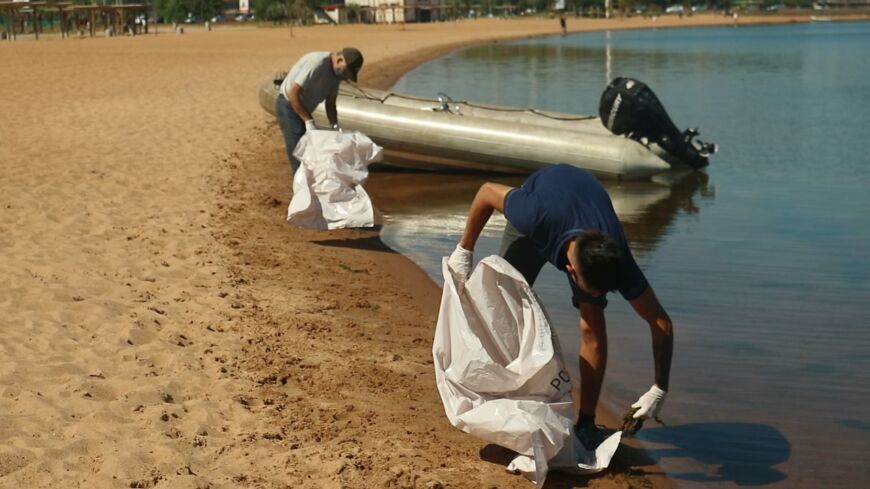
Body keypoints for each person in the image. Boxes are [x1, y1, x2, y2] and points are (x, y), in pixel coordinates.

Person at [447, 164, 672, 450]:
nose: (596, 297)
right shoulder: (533, 215)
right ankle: (494, 390)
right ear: (571, 271)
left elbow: (661, 322)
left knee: (592, 323)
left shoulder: (616, 259)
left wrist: (659, 387)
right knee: (502, 306)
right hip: (543, 205)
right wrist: (464, 250)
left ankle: (587, 423)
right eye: (591, 290)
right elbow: (486, 191)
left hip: (582, 209)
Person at [276, 47, 364, 172]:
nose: (345, 78)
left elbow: (331, 104)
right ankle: (301, 190)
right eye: (346, 73)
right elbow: (293, 94)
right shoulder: (317, 63)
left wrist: (335, 126)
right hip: (289, 107)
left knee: (310, 155)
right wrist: (308, 121)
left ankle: (309, 188)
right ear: (339, 60)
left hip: (303, 111)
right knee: (299, 156)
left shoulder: (336, 77)